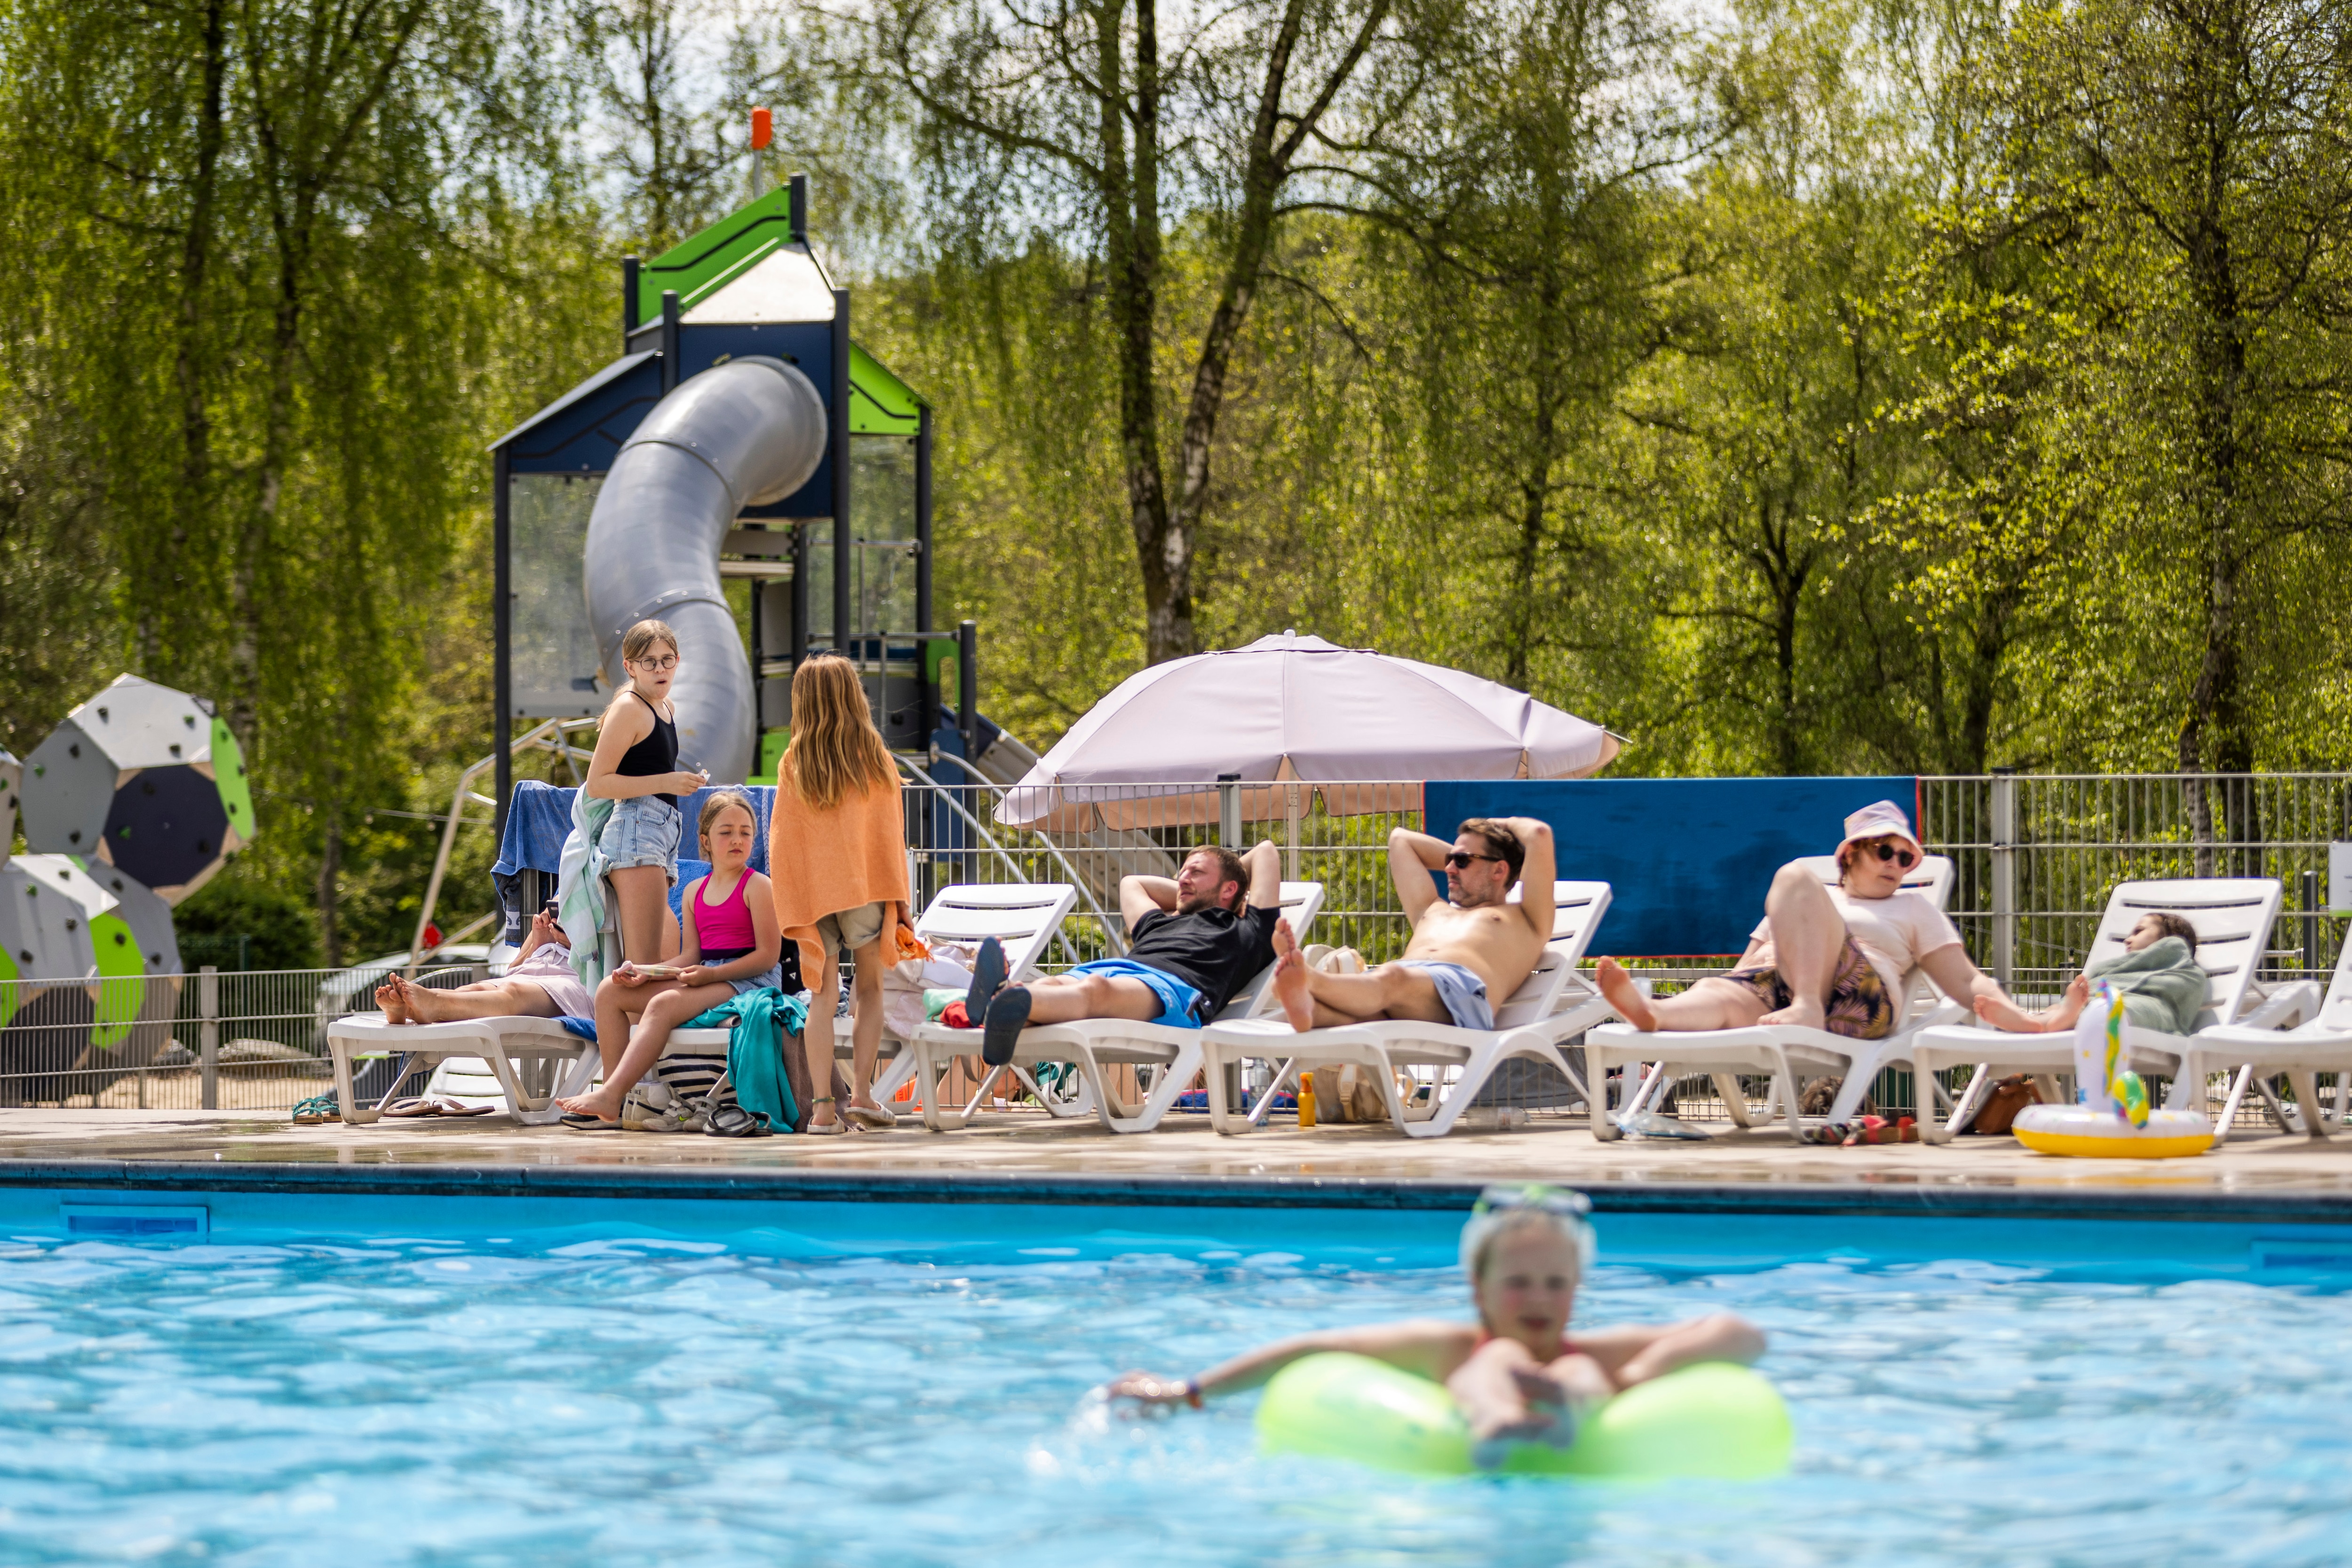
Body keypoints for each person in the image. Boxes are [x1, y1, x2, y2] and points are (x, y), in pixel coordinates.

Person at [1103, 1186, 1764, 1465]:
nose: (1538, 1299)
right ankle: (1496, 1418)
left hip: (1579, 1398)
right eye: (1518, 1282)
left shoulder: (1590, 1349)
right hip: (1486, 1400)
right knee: (1497, 1361)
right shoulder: (1452, 1346)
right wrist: (1189, 1391)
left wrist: (1635, 1378)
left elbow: (1737, 1331)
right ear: (1477, 1288)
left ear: (1576, 1290)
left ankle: (1568, 1408)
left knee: (1576, 1369)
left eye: (1556, 1284)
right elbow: (1312, 1347)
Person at [1595, 799, 2030, 1043]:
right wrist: (1732, 988)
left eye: (1904, 858)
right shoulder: (1807, 902)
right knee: (1719, 991)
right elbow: (1749, 965)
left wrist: (2020, 1017)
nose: (1895, 865)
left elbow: (1967, 979)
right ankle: (1653, 1013)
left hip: (1858, 1000)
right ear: (1852, 854)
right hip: (1781, 990)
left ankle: (1807, 1004)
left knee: (1793, 877)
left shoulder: (1913, 907)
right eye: (1885, 851)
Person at [556, 790, 781, 1130]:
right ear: (705, 840)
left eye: (745, 832)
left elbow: (768, 957)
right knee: (610, 992)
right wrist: (647, 973)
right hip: (709, 975)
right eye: (726, 832)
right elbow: (691, 956)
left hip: (749, 981)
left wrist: (710, 976)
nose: (737, 839)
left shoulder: (759, 886)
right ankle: (616, 1100)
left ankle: (612, 1094)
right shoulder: (694, 892)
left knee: (662, 1005)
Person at [965, 839, 1284, 1067]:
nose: (1183, 879)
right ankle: (1004, 1004)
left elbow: (1266, 850)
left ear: (1229, 888)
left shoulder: (1249, 931)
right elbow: (1131, 883)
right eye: (1182, 873)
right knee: (1054, 983)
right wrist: (1194, 889)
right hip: (1116, 969)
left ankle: (1003, 997)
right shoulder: (1158, 923)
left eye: (1196, 872)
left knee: (1096, 990)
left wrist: (1232, 880)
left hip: (1174, 989)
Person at [767, 654, 909, 1134]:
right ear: (854, 694)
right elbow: (889, 834)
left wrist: (792, 898)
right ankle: (864, 1094)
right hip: (866, 887)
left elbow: (783, 839)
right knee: (870, 990)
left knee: (822, 997)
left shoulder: (795, 761)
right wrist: (898, 899)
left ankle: (824, 1110)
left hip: (814, 895)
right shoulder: (874, 755)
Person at [1266, 817, 1558, 1035]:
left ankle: (1310, 979)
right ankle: (1308, 1007)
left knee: (1392, 976)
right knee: (1353, 1018)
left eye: (1461, 861)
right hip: (1399, 995)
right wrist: (1470, 860)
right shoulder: (1432, 908)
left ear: (1500, 870)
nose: (1448, 868)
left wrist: (1498, 826)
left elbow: (1539, 834)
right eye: (1450, 860)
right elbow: (1400, 840)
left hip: (1460, 996)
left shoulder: (1526, 919)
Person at [582, 619, 708, 965]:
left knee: (665, 961)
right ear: (630, 667)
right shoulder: (629, 708)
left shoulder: (667, 708)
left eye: (667, 660)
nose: (660, 669)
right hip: (637, 831)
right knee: (644, 966)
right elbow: (597, 783)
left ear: (678, 661)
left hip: (660, 834)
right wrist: (667, 782)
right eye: (649, 662)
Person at [1972, 910, 2204, 1035]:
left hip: (2153, 1009)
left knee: (2104, 1009)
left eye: (2139, 931)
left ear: (2169, 941)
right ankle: (2037, 1020)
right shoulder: (2122, 967)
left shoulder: (2185, 971)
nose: (2128, 939)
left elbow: (2183, 995)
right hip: (2105, 1006)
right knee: (2071, 1006)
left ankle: (2055, 1019)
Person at [374, 903, 592, 1024]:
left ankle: (435, 1004)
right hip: (526, 977)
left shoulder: (604, 900)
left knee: (512, 992)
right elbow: (514, 969)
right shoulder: (560, 898)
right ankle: (408, 1011)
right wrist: (539, 942)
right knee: (471, 990)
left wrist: (574, 945)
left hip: (576, 979)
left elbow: (609, 965)